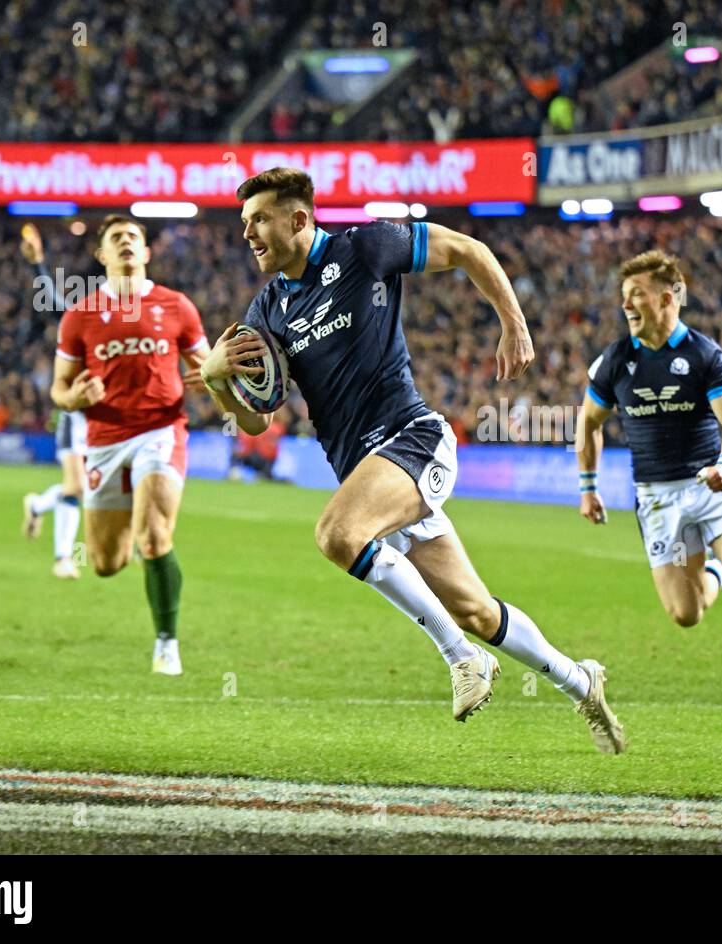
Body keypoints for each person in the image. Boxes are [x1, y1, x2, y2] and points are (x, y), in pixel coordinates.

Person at [199, 167, 626, 752]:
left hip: (412, 438)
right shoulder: (266, 311)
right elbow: (257, 420)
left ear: (299, 219)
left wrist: (514, 323)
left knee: (336, 535)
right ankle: (582, 682)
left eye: (258, 221)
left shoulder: (366, 247)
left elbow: (467, 249)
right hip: (371, 475)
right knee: (477, 610)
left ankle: (461, 659)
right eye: (243, 223)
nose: (247, 234)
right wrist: (217, 381)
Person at [576, 250, 722, 707]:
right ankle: (711, 568)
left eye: (637, 295)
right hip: (656, 499)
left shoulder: (703, 354)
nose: (627, 305)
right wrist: (588, 487)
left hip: (710, 484)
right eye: (624, 297)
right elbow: (589, 423)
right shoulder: (615, 360)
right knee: (685, 614)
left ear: (669, 298)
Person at [50, 215, 211, 676]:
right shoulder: (80, 315)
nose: (125, 243)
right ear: (102, 255)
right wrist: (74, 398)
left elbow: (207, 369)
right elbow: (58, 389)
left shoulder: (177, 306)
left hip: (161, 430)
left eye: (133, 237)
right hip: (103, 439)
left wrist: (212, 382)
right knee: (105, 562)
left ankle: (167, 642)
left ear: (146, 253)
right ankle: (124, 561)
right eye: (116, 238)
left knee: (155, 536)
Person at [19, 223, 86, 579]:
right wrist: (38, 265)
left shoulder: (129, 329)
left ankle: (39, 503)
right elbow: (53, 305)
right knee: (77, 487)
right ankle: (63, 557)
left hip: (108, 421)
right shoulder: (84, 322)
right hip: (74, 415)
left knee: (91, 487)